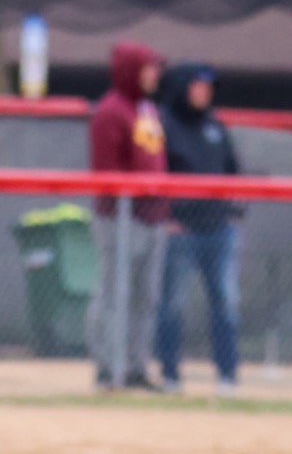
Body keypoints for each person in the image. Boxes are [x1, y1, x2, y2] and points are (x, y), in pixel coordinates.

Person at [153, 62, 242, 396]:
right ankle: (170, 375)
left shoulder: (216, 127)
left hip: (219, 229)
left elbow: (233, 172)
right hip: (181, 230)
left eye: (208, 88)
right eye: (197, 86)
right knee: (173, 304)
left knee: (226, 302)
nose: (203, 93)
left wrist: (232, 213)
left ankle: (228, 376)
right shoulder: (164, 124)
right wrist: (168, 217)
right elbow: (157, 174)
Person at [84, 40, 168, 390]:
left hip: (153, 217)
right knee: (114, 295)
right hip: (120, 218)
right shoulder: (111, 111)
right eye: (147, 68)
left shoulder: (147, 109)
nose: (154, 75)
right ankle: (108, 367)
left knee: (145, 298)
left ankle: (135, 367)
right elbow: (106, 172)